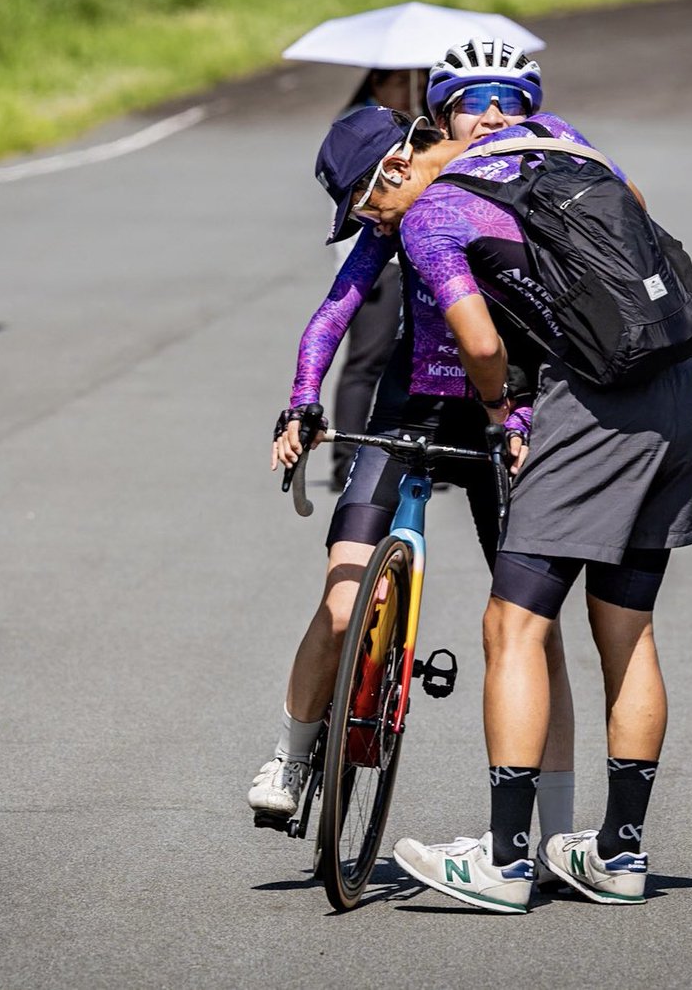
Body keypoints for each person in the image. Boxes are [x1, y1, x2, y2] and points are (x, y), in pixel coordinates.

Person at [308, 97, 692, 913]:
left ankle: (504, 861)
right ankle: (620, 853)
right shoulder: (544, 141)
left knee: (512, 624)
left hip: (591, 401)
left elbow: (481, 343)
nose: (371, 224)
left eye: (368, 204)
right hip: (673, 380)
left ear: (397, 166)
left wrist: (499, 409)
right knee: (627, 627)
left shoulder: (431, 214)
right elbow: (632, 209)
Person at [249, 42, 578, 859]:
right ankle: (291, 756)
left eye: (507, 101)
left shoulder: (523, 181)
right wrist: (301, 399)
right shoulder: (399, 214)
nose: (491, 117)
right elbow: (335, 310)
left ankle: (558, 828)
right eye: (474, 103)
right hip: (410, 404)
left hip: (507, 412)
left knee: (533, 632)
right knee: (340, 601)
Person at [328, 68, 426, 491]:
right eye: (396, 81)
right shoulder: (356, 125)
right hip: (374, 263)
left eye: (413, 81)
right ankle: (345, 458)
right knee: (366, 360)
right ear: (376, 84)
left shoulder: (420, 129)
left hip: (415, 259)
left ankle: (421, 452)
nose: (407, 89)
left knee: (418, 356)